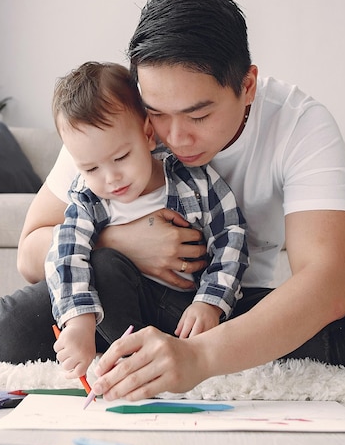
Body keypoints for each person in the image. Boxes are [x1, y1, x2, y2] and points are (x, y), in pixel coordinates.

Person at [0, 0, 345, 400]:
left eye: (198, 115)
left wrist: (200, 358)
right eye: (156, 113)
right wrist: (123, 240)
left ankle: (164, 352)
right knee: (0, 334)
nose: (175, 137)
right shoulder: (115, 119)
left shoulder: (300, 125)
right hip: (114, 288)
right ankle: (133, 348)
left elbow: (326, 284)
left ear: (247, 86)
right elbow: (29, 256)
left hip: (219, 305)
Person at [44, 61, 248, 380]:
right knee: (100, 267)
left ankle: (145, 358)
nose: (111, 178)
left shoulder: (193, 182)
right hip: (114, 310)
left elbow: (231, 239)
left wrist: (210, 303)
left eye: (121, 157)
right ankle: (120, 348)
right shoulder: (89, 198)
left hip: (183, 310)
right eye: (91, 169)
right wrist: (78, 321)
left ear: (149, 135)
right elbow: (66, 253)